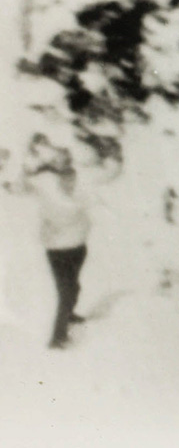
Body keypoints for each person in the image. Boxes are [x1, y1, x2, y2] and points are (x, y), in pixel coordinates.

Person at [20, 136, 120, 348]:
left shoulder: (82, 175)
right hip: (56, 247)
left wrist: (113, 154)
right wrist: (26, 167)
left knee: (73, 287)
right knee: (65, 291)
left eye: (65, 157)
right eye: (57, 159)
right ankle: (58, 337)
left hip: (79, 244)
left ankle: (70, 315)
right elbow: (20, 187)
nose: (62, 162)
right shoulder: (43, 180)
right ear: (50, 163)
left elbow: (109, 173)